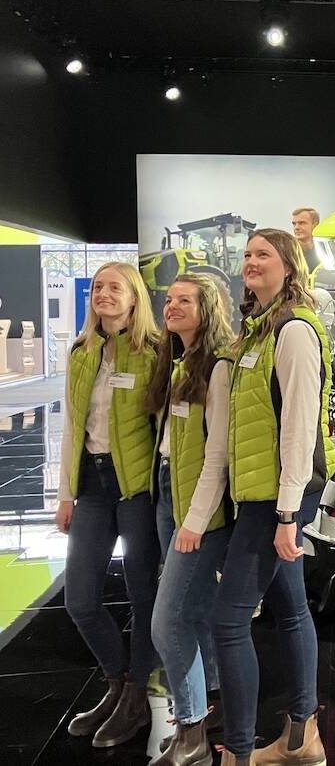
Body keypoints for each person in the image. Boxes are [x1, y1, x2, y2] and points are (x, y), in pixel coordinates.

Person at [213, 229, 335, 766]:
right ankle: (302, 738)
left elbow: (299, 429)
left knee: (228, 620)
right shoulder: (256, 333)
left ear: (289, 266)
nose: (251, 262)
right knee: (290, 610)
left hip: (279, 499)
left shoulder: (294, 332)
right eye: (245, 255)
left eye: (263, 254)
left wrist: (287, 513)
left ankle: (238, 753)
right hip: (264, 495)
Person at [55, 262, 162, 748]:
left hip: (137, 489)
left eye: (114, 287)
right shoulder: (82, 352)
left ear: (134, 298)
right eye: (98, 287)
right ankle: (117, 683)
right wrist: (64, 494)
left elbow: (169, 432)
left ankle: (137, 698)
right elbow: (73, 429)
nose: (103, 294)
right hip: (92, 488)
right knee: (80, 600)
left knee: (143, 599)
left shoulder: (156, 354)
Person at [146, 274, 235, 766]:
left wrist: (195, 522)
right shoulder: (174, 358)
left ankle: (193, 730)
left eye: (184, 300)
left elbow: (217, 455)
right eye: (169, 299)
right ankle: (210, 709)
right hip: (167, 494)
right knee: (193, 613)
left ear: (208, 309)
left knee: (168, 623)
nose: (171, 306)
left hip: (196, 509)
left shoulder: (216, 367)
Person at [290, 207, 321, 272]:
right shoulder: (288, 251)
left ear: (315, 225)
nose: (296, 227)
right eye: (294, 224)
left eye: (301, 223)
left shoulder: (326, 250)